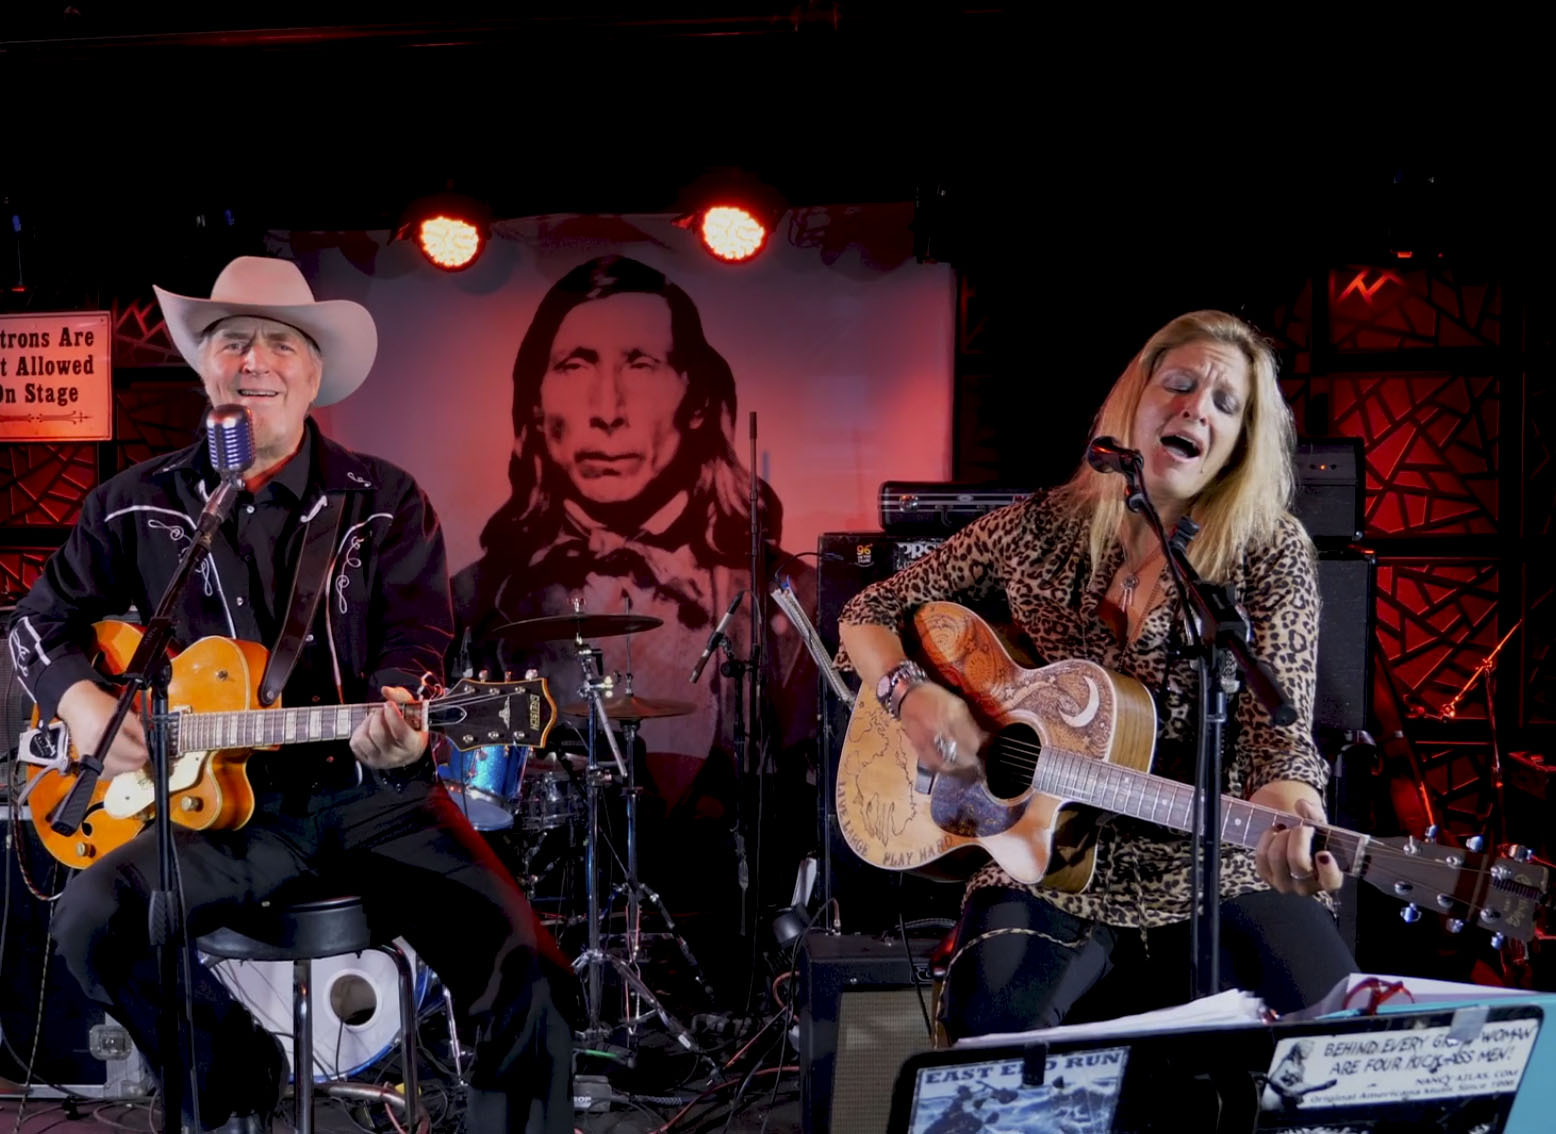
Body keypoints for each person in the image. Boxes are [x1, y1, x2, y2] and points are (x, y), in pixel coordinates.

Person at [9, 255, 575, 1132]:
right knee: (90, 919)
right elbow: (36, 628)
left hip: (375, 803)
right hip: (223, 818)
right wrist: (83, 702)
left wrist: (401, 718)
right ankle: (232, 1068)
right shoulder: (133, 505)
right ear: (205, 363)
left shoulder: (384, 502)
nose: (256, 361)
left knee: (526, 968)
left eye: (281, 343)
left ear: (313, 376)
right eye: (234, 341)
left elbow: (417, 642)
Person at [835, 310, 1357, 1040]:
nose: (1194, 409)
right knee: (986, 1040)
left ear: (1240, 444)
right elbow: (869, 609)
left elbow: (1281, 731)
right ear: (1133, 402)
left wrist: (1288, 807)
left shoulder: (1268, 550)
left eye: (1224, 404)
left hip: (1213, 864)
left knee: (1336, 1036)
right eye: (1178, 384)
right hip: (1039, 856)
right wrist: (910, 693)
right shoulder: (1035, 528)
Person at [451, 254, 814, 776]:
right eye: (575, 365)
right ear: (535, 403)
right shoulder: (471, 603)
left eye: (641, 365)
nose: (607, 410)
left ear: (696, 400)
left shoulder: (789, 596)